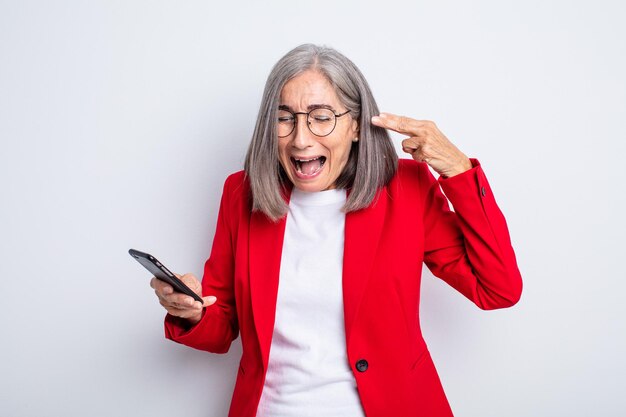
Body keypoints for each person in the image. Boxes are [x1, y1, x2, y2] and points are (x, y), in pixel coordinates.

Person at [149, 44, 522, 417]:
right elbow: (222, 323)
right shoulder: (240, 194)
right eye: (284, 118)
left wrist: (458, 171)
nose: (300, 139)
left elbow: (497, 289)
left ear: (357, 125)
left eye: (321, 117)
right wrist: (191, 311)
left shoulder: (406, 190)